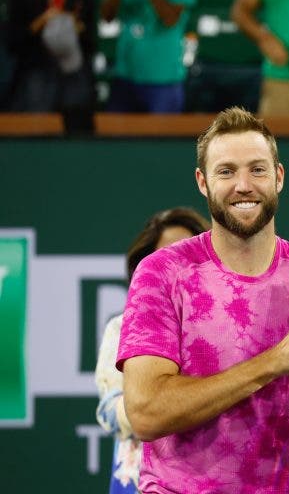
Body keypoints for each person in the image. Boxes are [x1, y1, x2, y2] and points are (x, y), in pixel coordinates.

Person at [116, 107, 289, 493]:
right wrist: (271, 363)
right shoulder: (161, 273)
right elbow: (146, 412)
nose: (243, 185)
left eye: (257, 170)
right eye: (227, 171)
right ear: (203, 182)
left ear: (278, 177)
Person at [95, 207, 210, 494]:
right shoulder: (122, 328)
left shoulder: (231, 330)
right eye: (167, 257)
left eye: (191, 257)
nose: (181, 267)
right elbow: (111, 409)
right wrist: (156, 408)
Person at [7, 0, 96, 132]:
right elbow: (14, 41)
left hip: (73, 69)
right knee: (37, 121)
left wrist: (76, 26)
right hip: (37, 68)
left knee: (78, 120)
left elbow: (91, 43)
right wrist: (41, 22)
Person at [100, 0, 195, 112]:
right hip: (125, 73)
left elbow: (171, 19)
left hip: (162, 77)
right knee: (116, 131)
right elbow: (107, 16)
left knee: (162, 132)